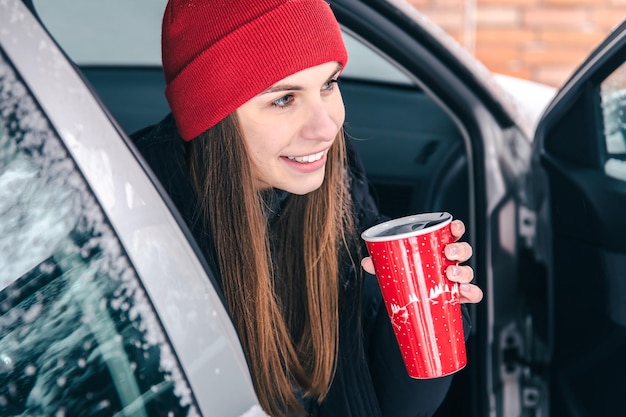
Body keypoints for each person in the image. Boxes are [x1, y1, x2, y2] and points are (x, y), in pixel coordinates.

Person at [132, 0, 484, 416]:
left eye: (329, 84)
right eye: (284, 99)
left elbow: (397, 406)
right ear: (214, 115)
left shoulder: (335, 177)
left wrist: (415, 314)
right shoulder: (139, 220)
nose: (326, 128)